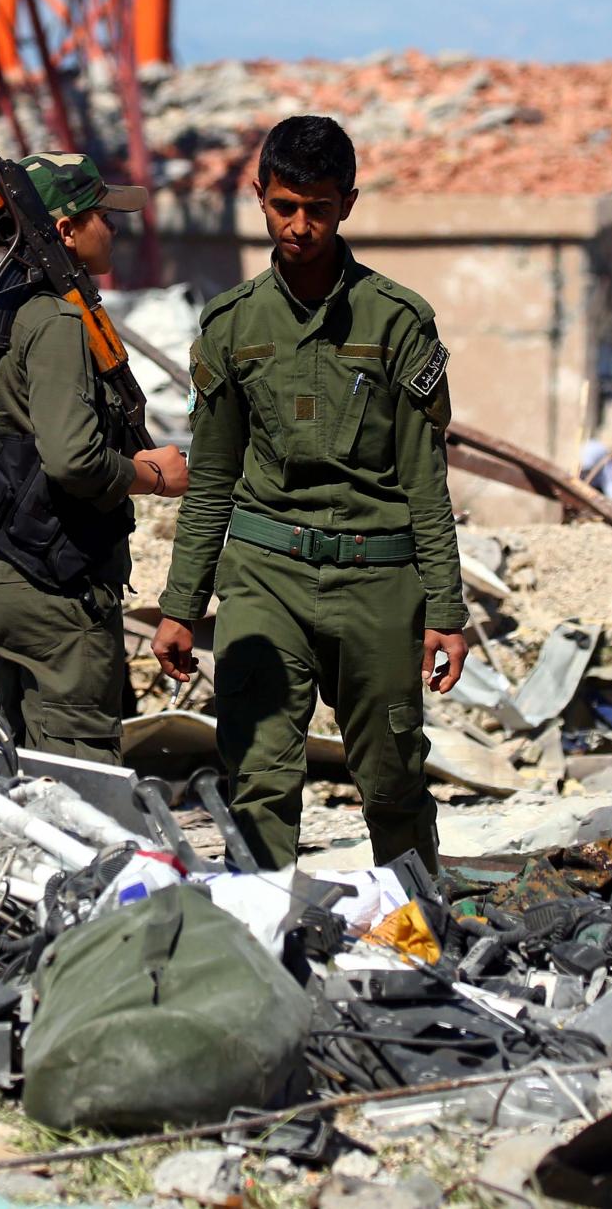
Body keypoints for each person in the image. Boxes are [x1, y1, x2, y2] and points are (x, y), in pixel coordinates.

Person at [152, 117, 467, 871]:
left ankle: (420, 935)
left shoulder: (398, 321)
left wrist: (448, 611)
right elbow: (214, 475)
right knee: (258, 777)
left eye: (319, 208)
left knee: (392, 781)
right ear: (260, 197)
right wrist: (180, 602)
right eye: (285, 205)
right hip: (267, 576)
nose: (300, 226)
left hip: (378, 582)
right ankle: (267, 947)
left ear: (348, 204)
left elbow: (427, 477)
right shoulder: (232, 325)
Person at [0, 153, 189, 764]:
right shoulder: (57, 322)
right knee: (83, 783)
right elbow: (72, 460)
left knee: (28, 774)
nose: (113, 229)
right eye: (102, 216)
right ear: (65, 230)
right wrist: (152, 476)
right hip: (52, 584)